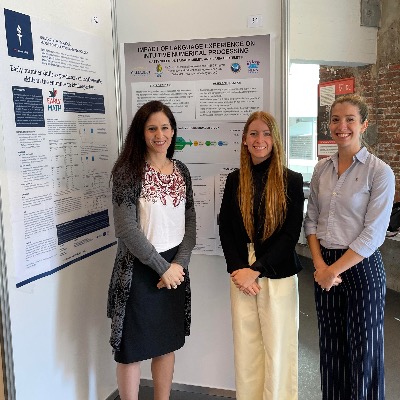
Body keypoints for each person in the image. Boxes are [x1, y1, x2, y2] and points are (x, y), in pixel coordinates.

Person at [304, 94, 395, 400]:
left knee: (363, 353)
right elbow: (311, 220)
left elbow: (373, 234)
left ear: (364, 125)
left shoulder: (379, 172)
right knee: (330, 349)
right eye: (335, 119)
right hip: (323, 268)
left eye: (350, 119)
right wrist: (319, 266)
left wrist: (332, 270)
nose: (341, 126)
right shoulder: (321, 170)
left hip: (360, 268)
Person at [106, 100, 196, 400]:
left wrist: (178, 267)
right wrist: (163, 269)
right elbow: (127, 230)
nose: (160, 134)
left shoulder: (181, 171)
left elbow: (190, 225)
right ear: (141, 132)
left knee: (166, 343)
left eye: (165, 127)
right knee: (130, 351)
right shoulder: (127, 172)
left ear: (173, 131)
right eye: (152, 128)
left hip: (175, 269)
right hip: (138, 269)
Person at [219, 111, 305, 400]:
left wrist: (255, 270)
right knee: (247, 349)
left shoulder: (291, 180)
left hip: (276, 273)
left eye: (266, 133)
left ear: (275, 140)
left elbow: (290, 235)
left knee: (278, 350)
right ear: (244, 140)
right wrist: (239, 270)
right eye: (254, 134)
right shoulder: (235, 181)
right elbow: (226, 230)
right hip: (241, 275)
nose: (260, 140)